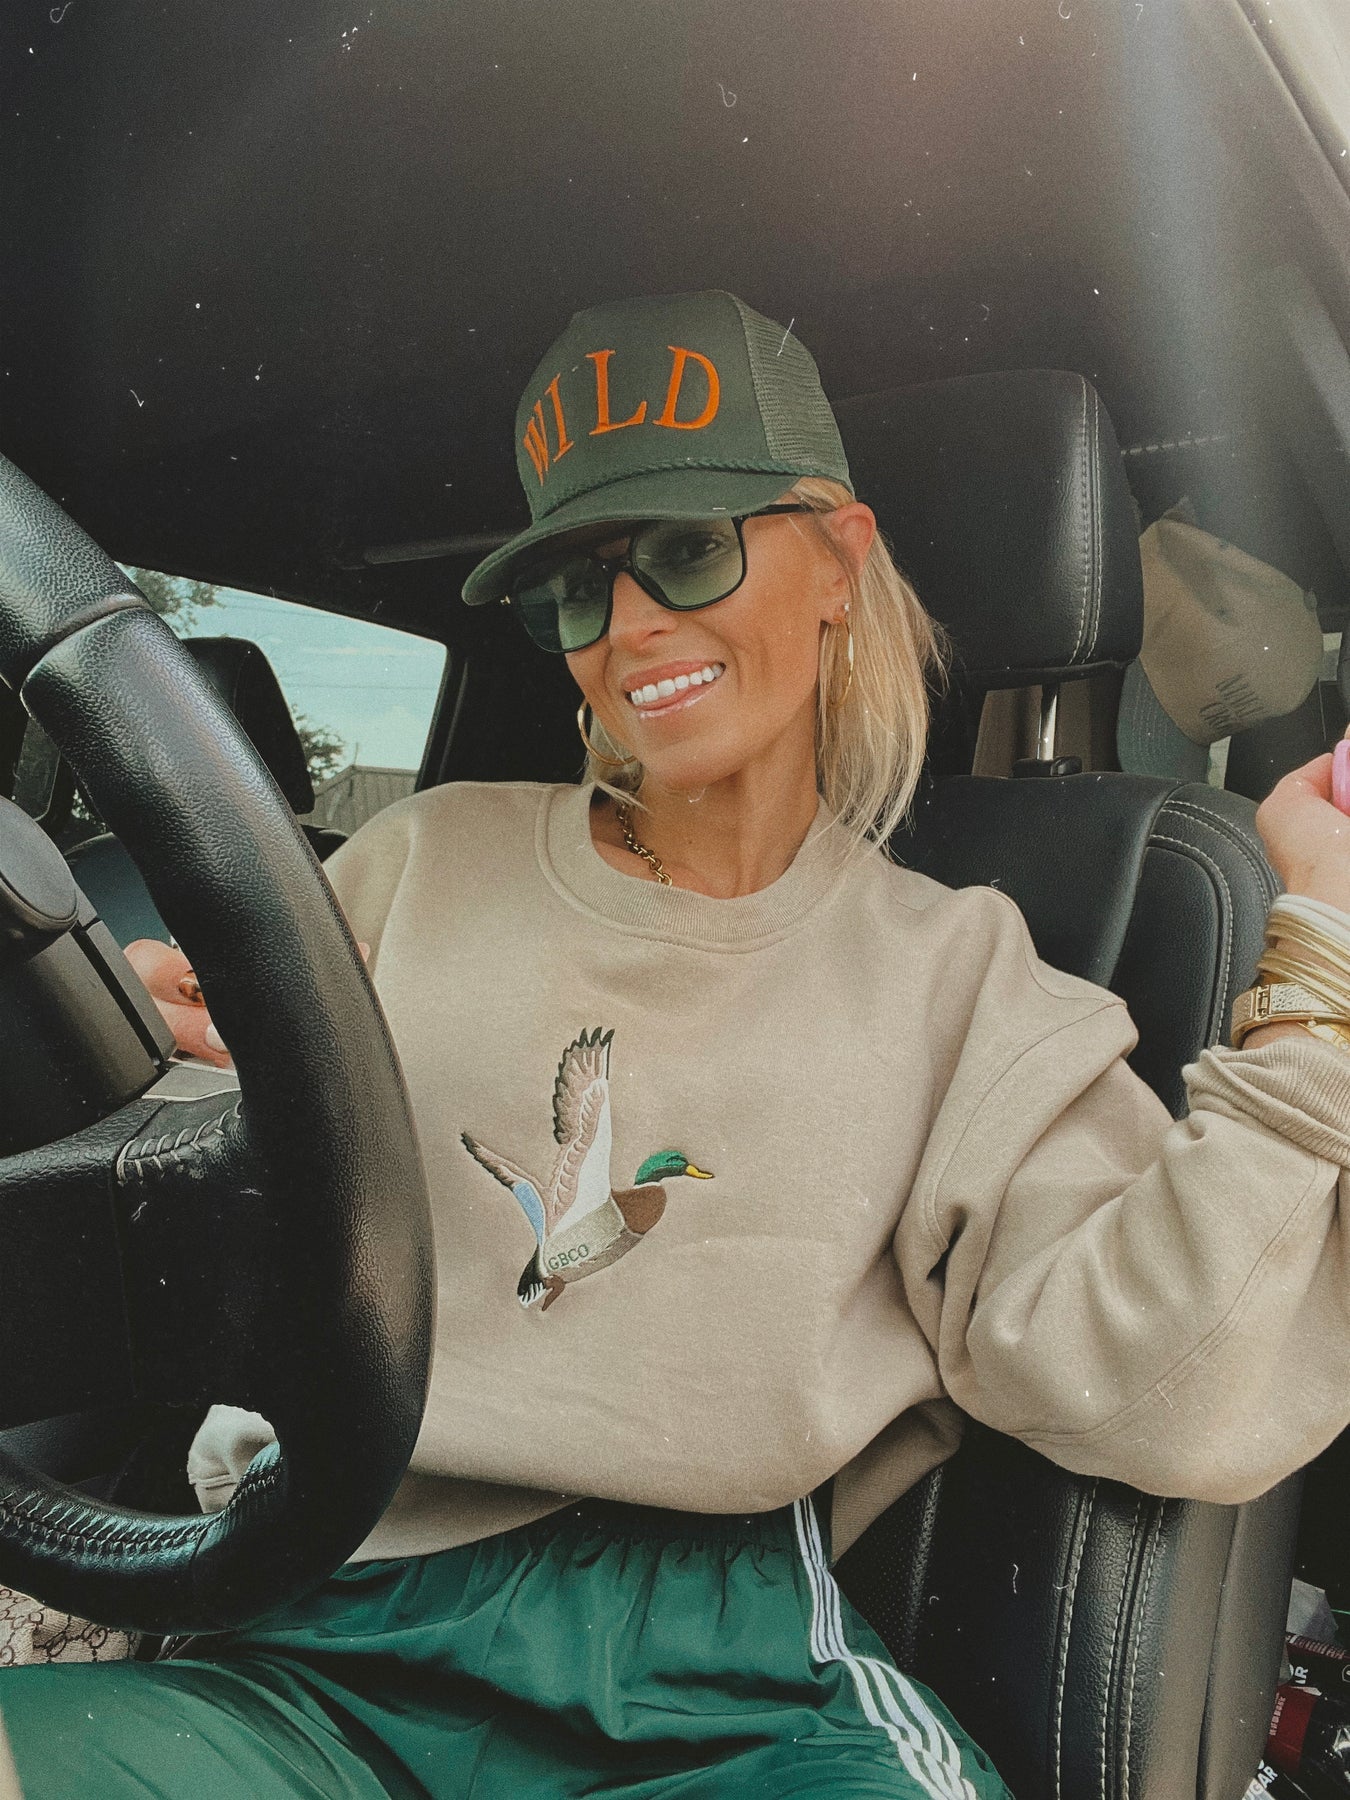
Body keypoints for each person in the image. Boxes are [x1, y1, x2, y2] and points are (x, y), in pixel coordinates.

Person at [3, 289, 1350, 1799]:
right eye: (578, 588)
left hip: (717, 1688)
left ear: (838, 558)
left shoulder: (962, 974)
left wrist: (1324, 958)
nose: (631, 625)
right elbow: (271, 1212)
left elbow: (1165, 1373)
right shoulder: (420, 859)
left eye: (688, 551)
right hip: (317, 1632)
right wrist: (165, 1073)